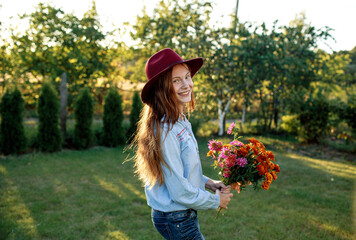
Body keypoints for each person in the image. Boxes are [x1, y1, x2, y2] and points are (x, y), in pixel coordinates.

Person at [132, 48, 233, 240]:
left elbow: (181, 172)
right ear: (161, 89)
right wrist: (215, 201)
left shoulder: (180, 121)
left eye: (187, 76)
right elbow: (179, 191)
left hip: (179, 215)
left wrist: (209, 183)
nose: (186, 84)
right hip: (176, 217)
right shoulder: (166, 130)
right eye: (176, 80)